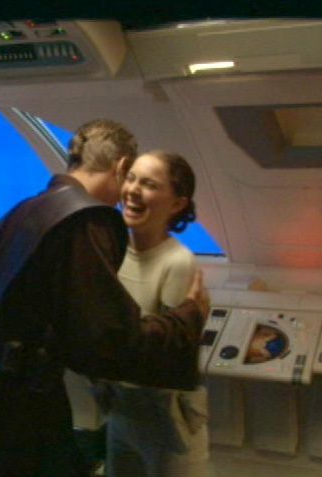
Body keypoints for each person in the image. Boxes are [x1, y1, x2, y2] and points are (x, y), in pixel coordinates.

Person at [0, 119, 208, 477]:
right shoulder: (85, 222)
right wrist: (187, 317)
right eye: (130, 178)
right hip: (17, 406)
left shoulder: (22, 213)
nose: (127, 193)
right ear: (121, 167)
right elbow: (110, 340)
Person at [100, 150, 212, 477]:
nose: (132, 189)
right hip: (122, 412)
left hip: (167, 419)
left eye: (148, 184)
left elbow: (161, 349)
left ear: (177, 204)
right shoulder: (112, 252)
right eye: (131, 178)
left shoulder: (177, 262)